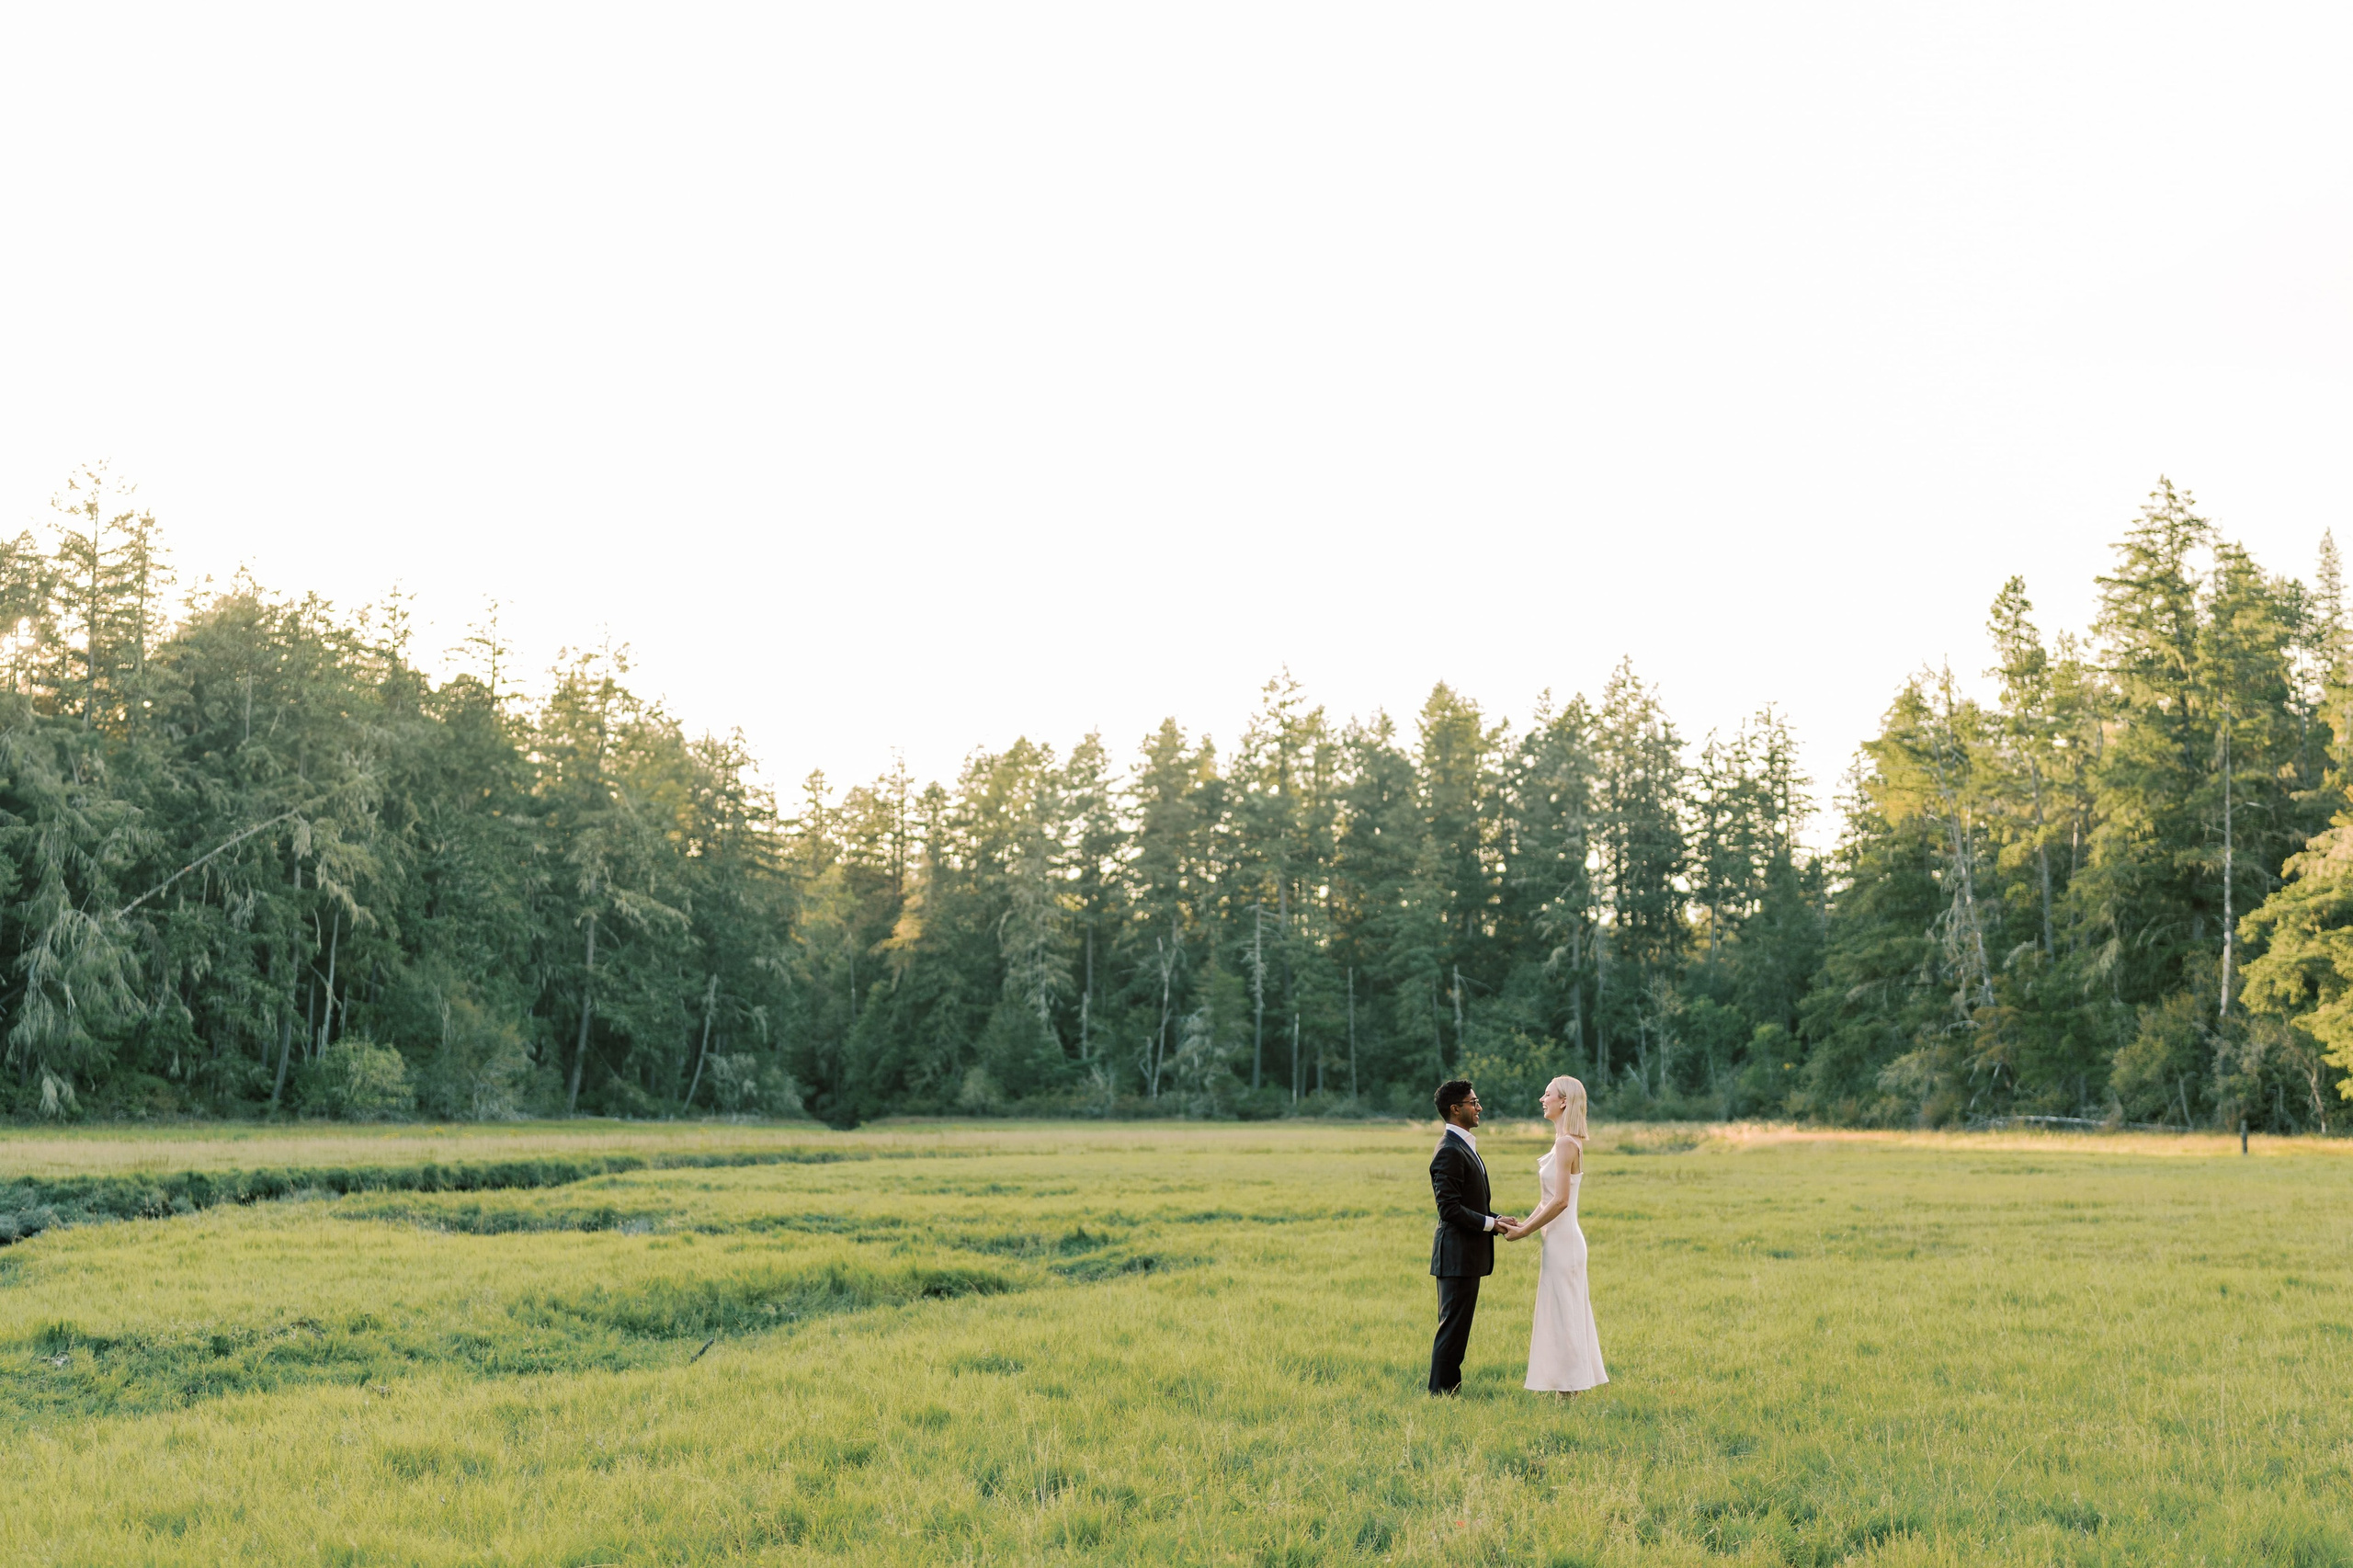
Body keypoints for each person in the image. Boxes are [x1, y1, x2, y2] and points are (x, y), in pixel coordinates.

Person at [1501, 1075, 1608, 1396]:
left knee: (1566, 1315)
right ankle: (1567, 1389)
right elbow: (1547, 1200)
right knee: (1561, 1313)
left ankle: (1570, 1390)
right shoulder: (1563, 1141)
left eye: (1547, 1094)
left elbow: (1561, 1200)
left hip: (1565, 1244)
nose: (1541, 1099)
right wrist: (1522, 1226)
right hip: (1559, 1242)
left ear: (1563, 1101)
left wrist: (1524, 1232)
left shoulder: (1566, 1143)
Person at [1427, 1079, 1520, 1395]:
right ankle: (1440, 1395)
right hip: (1456, 1256)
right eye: (1473, 1102)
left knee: (1457, 1331)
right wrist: (1490, 1225)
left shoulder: (1464, 1145)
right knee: (1451, 1331)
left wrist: (1495, 1218)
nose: (1479, 1108)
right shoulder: (1449, 1151)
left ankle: (1449, 1392)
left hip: (1466, 1255)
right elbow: (1449, 1209)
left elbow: (1468, 1204)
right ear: (1456, 1110)